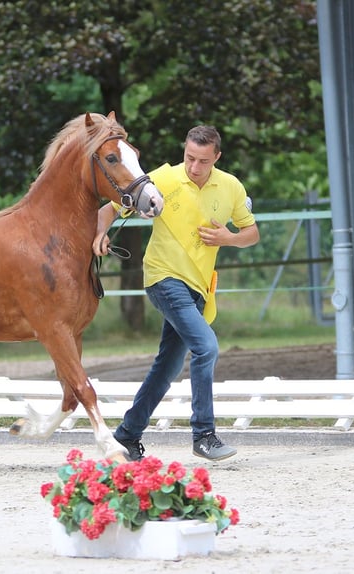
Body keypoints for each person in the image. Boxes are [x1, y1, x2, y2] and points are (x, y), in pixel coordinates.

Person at [93, 125, 260, 461]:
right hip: (163, 279)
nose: (194, 167)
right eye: (189, 158)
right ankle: (204, 435)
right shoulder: (163, 180)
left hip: (198, 287)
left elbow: (252, 232)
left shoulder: (230, 186)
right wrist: (100, 235)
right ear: (184, 150)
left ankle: (126, 436)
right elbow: (108, 208)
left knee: (166, 368)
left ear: (217, 157)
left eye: (203, 161)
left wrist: (228, 239)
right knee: (207, 346)